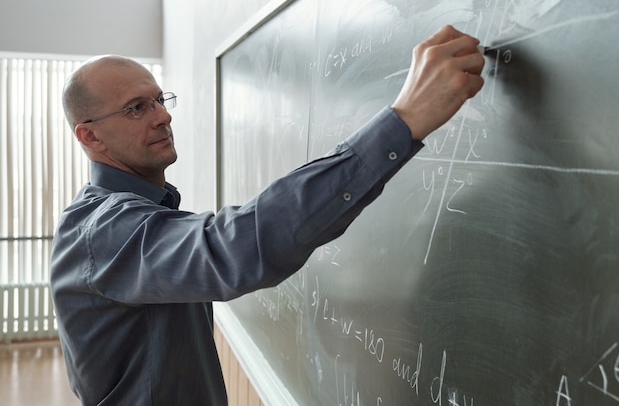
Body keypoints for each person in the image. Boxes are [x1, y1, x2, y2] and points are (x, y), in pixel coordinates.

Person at [50, 25, 485, 405]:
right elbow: (232, 248)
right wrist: (403, 121)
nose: (163, 116)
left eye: (160, 100)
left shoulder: (139, 214)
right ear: (90, 136)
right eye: (136, 108)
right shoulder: (102, 230)